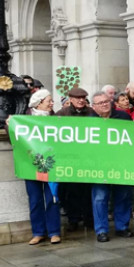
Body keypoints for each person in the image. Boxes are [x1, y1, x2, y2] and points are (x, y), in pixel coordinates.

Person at [90, 91, 134, 243]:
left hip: (121, 164)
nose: (104, 104)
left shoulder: (123, 117)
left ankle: (122, 226)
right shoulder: (88, 121)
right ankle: (101, 230)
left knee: (123, 195)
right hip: (99, 165)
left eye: (106, 101)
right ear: (93, 106)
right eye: (100, 103)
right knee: (100, 197)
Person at [22, 90, 61, 245]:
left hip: (51, 164)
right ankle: (38, 232)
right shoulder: (24, 117)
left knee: (52, 198)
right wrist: (9, 123)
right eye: (49, 101)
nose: (52, 104)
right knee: (35, 199)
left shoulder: (55, 117)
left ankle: (54, 232)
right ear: (39, 103)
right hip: (31, 165)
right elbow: (12, 132)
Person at [55, 87, 96, 232]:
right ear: (70, 99)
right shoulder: (62, 114)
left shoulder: (92, 113)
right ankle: (73, 219)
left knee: (87, 191)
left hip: (87, 158)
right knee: (71, 191)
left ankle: (88, 219)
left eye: (83, 98)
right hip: (70, 159)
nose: (81, 100)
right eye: (77, 98)